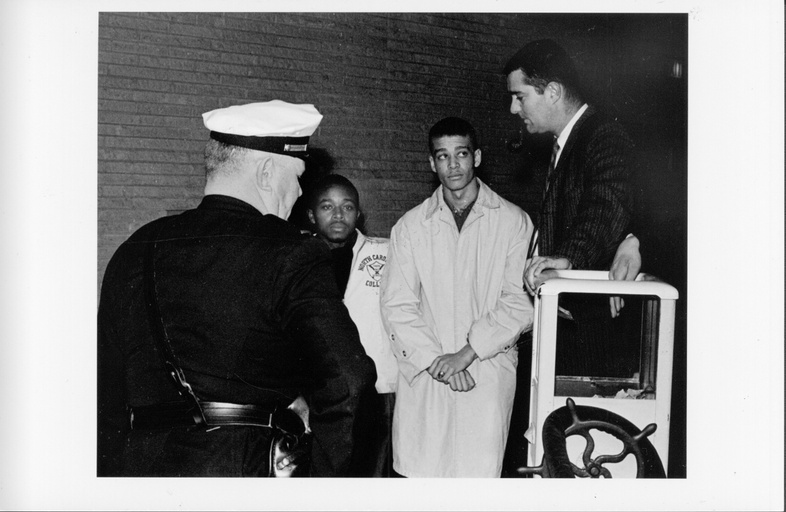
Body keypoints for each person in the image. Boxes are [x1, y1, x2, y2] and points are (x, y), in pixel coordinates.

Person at [97, 100, 376, 477]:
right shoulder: (290, 251)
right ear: (266, 172)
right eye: (297, 177)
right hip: (243, 470)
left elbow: (105, 396)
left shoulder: (135, 248)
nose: (298, 193)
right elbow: (349, 382)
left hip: (140, 473)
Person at [380, 116, 535, 477]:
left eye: (461, 154)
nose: (453, 165)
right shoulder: (410, 226)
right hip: (428, 374)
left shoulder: (514, 222)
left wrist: (465, 356)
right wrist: (440, 363)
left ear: (476, 157)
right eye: (443, 156)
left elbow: (520, 302)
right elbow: (397, 305)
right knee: (423, 478)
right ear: (431, 163)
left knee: (477, 481)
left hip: (485, 370)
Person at [504, 39, 637, 378]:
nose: (514, 109)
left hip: (594, 332)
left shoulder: (603, 135)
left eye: (520, 97)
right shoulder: (565, 143)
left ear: (552, 91)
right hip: (566, 325)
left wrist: (567, 258)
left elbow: (605, 205)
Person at [304, 174, 398, 477]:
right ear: (312, 215)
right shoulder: (297, 259)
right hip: (318, 396)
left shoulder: (387, 252)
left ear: (358, 214)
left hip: (378, 392)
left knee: (375, 479)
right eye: (327, 207)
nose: (338, 215)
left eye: (347, 207)